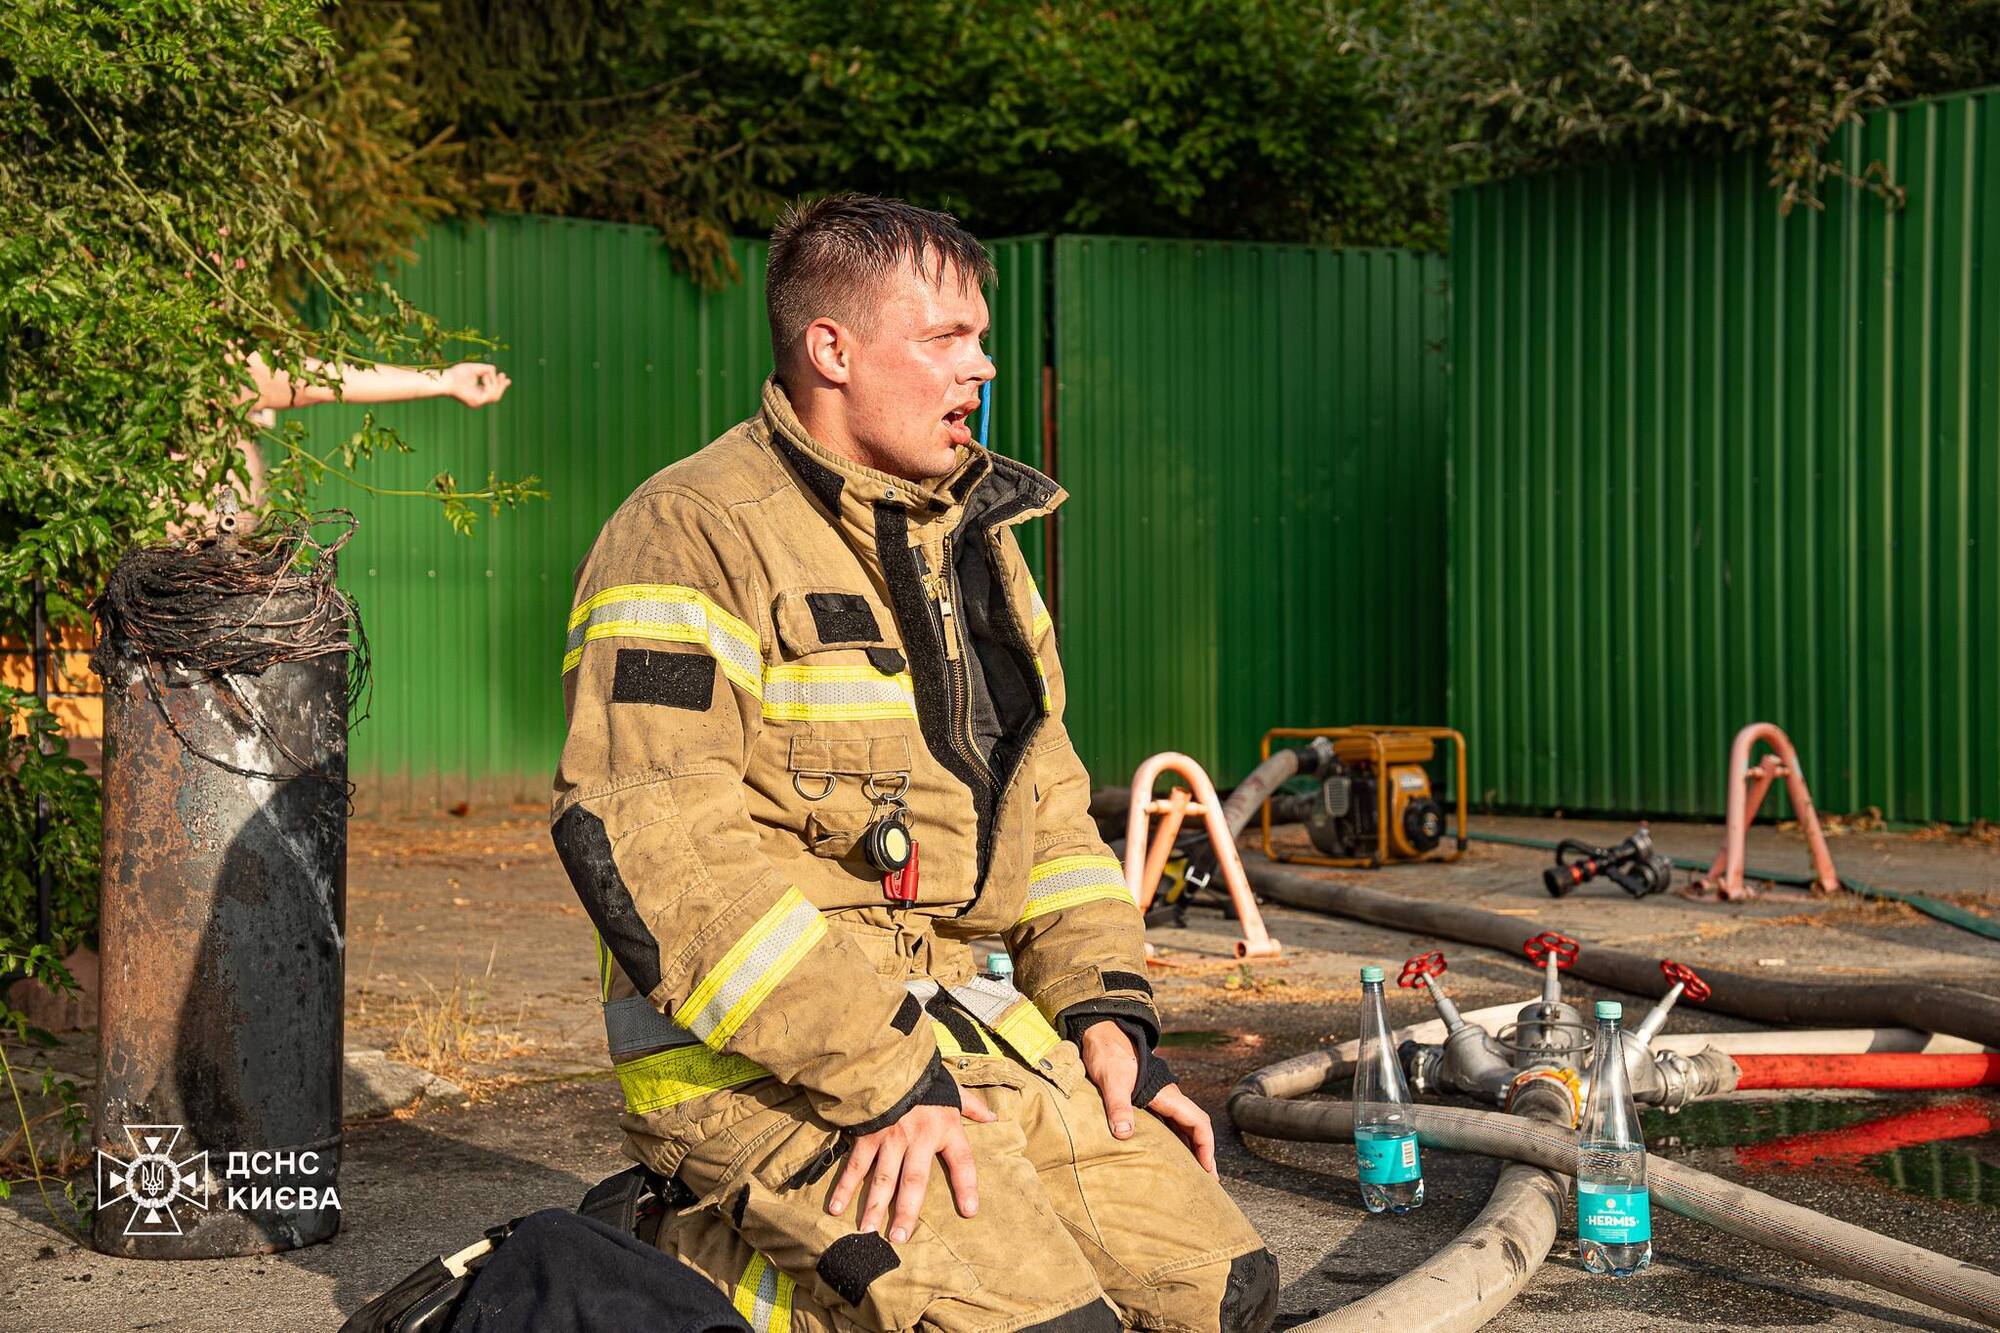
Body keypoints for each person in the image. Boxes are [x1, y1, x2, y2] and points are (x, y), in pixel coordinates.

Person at [552, 194, 1277, 1333]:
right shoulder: (689, 530)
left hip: (963, 1036)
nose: (979, 369)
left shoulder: (971, 545)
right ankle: (684, 1244)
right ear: (829, 349)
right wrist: (884, 1080)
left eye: (978, 339)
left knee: (1223, 1294)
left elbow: (1048, 815)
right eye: (944, 339)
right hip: (768, 1071)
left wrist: (1108, 1019)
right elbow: (655, 848)